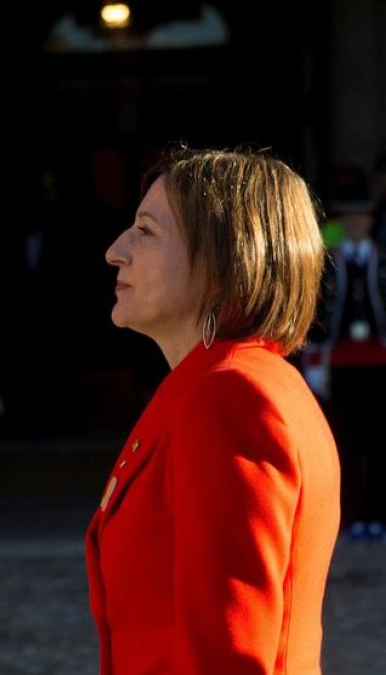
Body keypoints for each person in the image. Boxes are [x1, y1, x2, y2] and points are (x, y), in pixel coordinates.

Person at [90, 148, 340, 673]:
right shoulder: (221, 384)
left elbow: (229, 651)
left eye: (146, 231)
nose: (116, 251)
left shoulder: (230, 398)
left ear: (225, 262)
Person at [304, 184, 386, 541]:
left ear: (369, 221)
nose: (355, 223)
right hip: (341, 361)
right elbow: (317, 312)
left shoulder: (381, 258)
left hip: (379, 358)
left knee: (379, 441)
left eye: (361, 217)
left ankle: (378, 513)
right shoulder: (329, 261)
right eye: (349, 217)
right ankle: (351, 515)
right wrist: (316, 361)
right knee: (345, 441)